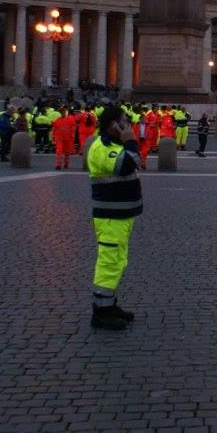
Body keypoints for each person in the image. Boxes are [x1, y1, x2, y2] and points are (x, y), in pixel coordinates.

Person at [86, 105, 142, 331]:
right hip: (110, 216)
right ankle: (101, 312)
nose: (127, 125)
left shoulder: (114, 145)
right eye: (124, 121)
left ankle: (109, 304)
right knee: (108, 263)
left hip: (120, 215)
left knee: (118, 262)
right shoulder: (102, 146)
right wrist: (130, 142)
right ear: (113, 124)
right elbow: (126, 165)